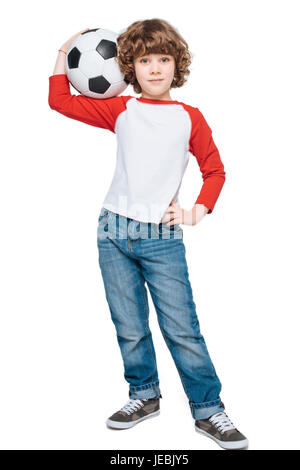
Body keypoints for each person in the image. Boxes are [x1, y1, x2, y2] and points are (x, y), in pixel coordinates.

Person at [48, 18, 248, 450]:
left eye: (163, 59)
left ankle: (208, 409)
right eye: (144, 61)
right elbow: (60, 101)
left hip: (161, 238)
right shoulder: (120, 110)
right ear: (129, 69)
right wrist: (65, 54)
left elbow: (215, 169)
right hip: (112, 231)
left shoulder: (189, 118)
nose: (154, 68)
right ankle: (144, 395)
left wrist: (198, 209)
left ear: (177, 65)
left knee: (182, 328)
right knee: (130, 325)